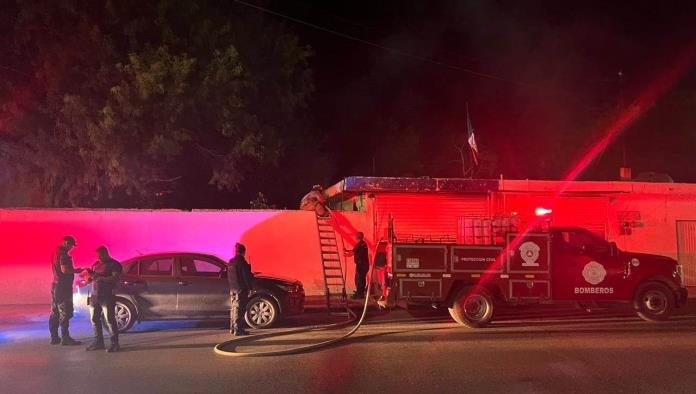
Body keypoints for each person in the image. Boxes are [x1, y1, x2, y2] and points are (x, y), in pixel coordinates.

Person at [86, 246, 123, 352]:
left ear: (106, 253)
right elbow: (91, 278)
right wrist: (89, 278)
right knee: (94, 319)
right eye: (98, 256)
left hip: (107, 295)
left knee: (110, 320)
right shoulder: (95, 265)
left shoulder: (114, 264)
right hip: (95, 295)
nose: (99, 258)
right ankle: (98, 342)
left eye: (101, 256)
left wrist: (101, 278)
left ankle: (115, 344)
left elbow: (115, 278)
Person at [49, 235, 85, 346]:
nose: (71, 248)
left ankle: (54, 337)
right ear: (66, 243)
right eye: (71, 245)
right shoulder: (63, 255)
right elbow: (65, 270)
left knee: (55, 312)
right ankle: (65, 338)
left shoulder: (55, 252)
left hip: (55, 286)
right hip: (63, 287)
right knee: (65, 312)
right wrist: (76, 270)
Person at [227, 243, 254, 336]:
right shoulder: (242, 263)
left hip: (233, 289)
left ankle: (232, 328)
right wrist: (250, 288)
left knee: (233, 309)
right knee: (239, 309)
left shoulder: (231, 262)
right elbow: (246, 277)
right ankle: (238, 330)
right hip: (241, 290)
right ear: (243, 252)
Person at [345, 232, 369, 299]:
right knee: (361, 279)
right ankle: (360, 293)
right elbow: (354, 251)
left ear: (357, 237)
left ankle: (359, 295)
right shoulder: (363, 244)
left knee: (359, 280)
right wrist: (347, 251)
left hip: (361, 265)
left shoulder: (359, 244)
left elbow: (352, 253)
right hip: (364, 265)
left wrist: (345, 255)